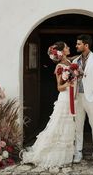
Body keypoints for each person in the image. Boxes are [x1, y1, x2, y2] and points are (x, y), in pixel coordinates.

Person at [21, 41, 76, 169]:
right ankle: (51, 153)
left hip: (72, 97)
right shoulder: (59, 67)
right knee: (59, 125)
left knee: (67, 125)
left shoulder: (69, 62)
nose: (69, 47)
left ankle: (66, 154)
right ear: (62, 51)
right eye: (67, 46)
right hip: (65, 98)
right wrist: (68, 83)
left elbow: (74, 58)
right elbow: (59, 87)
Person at [72, 34, 93, 165]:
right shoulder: (75, 61)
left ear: (86, 45)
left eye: (78, 44)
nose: (76, 46)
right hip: (78, 97)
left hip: (92, 98)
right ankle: (78, 151)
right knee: (78, 125)